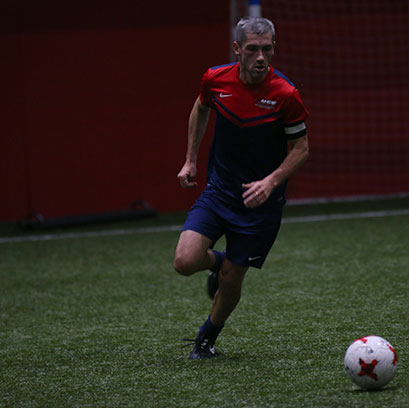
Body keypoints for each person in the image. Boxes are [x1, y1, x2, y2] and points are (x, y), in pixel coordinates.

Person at [173, 16, 310, 360]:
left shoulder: (285, 94)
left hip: (260, 204)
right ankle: (219, 261)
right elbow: (200, 108)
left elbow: (301, 148)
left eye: (267, 49)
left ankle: (206, 339)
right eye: (252, 49)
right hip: (220, 191)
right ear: (237, 49)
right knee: (184, 261)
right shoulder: (215, 79)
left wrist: (270, 182)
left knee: (232, 278)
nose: (261, 57)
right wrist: (190, 160)